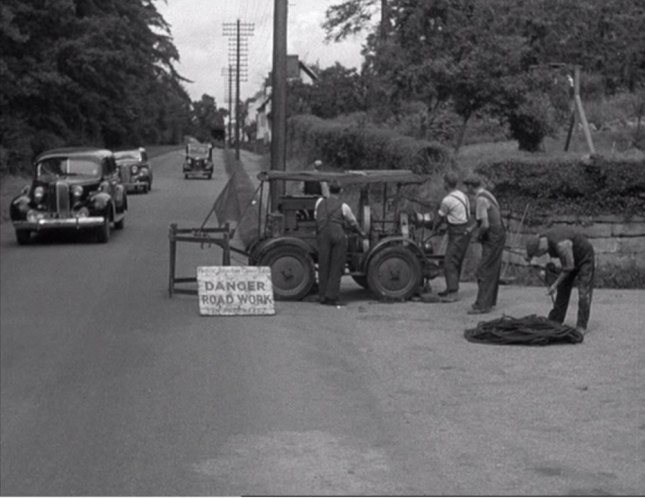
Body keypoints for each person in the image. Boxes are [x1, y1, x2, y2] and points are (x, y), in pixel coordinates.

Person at [525, 228, 595, 335]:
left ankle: (581, 325)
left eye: (537, 254)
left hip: (584, 258)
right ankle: (556, 319)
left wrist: (554, 285)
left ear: (541, 248)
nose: (538, 256)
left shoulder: (562, 245)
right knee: (563, 289)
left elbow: (568, 268)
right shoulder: (540, 237)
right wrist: (529, 256)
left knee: (584, 292)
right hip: (570, 258)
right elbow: (533, 245)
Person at [314, 181, 365, 306]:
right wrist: (361, 233)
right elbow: (352, 222)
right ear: (340, 191)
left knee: (324, 265)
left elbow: (316, 217)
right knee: (336, 266)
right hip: (338, 235)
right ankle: (332, 297)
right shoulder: (344, 206)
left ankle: (322, 296)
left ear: (329, 190)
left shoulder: (319, 202)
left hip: (323, 235)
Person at [463, 174, 506, 314]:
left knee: (484, 269)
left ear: (470, 186)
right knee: (493, 268)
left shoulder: (480, 199)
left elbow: (485, 225)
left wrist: (477, 236)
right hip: (499, 233)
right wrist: (471, 228)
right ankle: (489, 302)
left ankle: (482, 305)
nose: (466, 190)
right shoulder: (487, 194)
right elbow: (482, 219)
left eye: (466, 186)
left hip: (492, 236)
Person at [433, 172, 473, 302]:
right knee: (457, 261)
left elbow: (439, 218)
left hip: (457, 233)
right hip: (465, 231)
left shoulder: (447, 200)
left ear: (446, 184)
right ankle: (451, 288)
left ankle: (453, 293)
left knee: (449, 262)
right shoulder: (463, 196)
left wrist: (434, 227)